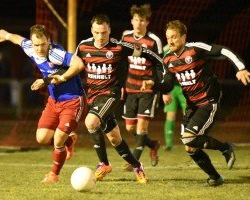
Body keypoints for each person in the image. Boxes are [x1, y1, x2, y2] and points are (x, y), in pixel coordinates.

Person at [51, 14, 162, 184]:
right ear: (91, 31)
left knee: (91, 122)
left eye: (104, 32)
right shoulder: (83, 46)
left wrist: (162, 68)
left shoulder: (119, 47)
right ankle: (137, 166)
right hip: (93, 97)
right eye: (97, 32)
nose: (101, 37)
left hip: (111, 94)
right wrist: (53, 77)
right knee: (115, 138)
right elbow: (72, 67)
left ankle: (103, 164)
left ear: (109, 30)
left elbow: (147, 53)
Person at [142, 20, 250, 186]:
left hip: (208, 101)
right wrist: (154, 84)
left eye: (174, 37)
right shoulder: (168, 60)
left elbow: (223, 51)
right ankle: (215, 178)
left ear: (183, 37)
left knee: (188, 138)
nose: (170, 41)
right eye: (168, 37)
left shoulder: (195, 49)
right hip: (192, 105)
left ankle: (225, 148)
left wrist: (240, 68)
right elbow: (168, 84)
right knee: (190, 147)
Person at [0, 25, 85, 183]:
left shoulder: (55, 53)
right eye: (36, 45)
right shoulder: (31, 47)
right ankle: (69, 141)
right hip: (54, 101)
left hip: (72, 100)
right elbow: (19, 40)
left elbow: (78, 64)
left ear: (49, 41)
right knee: (42, 138)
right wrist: (7, 35)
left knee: (57, 140)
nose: (40, 48)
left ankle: (54, 175)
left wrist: (60, 78)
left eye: (43, 44)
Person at [120, 4, 163, 170]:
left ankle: (134, 162)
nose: (138, 23)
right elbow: (121, 61)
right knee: (130, 127)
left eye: (142, 20)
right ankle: (152, 145)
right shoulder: (125, 37)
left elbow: (160, 66)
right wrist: (121, 85)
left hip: (148, 90)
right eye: (136, 20)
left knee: (141, 127)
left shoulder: (154, 41)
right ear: (132, 21)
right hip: (131, 88)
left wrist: (162, 89)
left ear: (147, 22)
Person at [162, 45, 186, 151]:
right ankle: (169, 144)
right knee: (170, 115)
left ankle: (189, 140)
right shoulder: (165, 50)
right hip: (171, 88)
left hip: (184, 87)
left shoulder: (186, 48)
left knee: (188, 114)